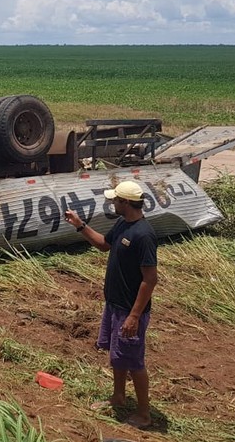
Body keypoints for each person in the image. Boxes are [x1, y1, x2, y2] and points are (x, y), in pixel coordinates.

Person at [64, 180, 158, 430]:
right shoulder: (123, 224)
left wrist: (134, 316)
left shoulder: (143, 235)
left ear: (125, 202)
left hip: (130, 310)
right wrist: (80, 226)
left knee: (135, 362)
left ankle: (144, 414)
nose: (112, 204)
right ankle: (118, 396)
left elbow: (150, 279)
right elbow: (104, 245)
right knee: (117, 355)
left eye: (114, 200)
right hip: (115, 305)